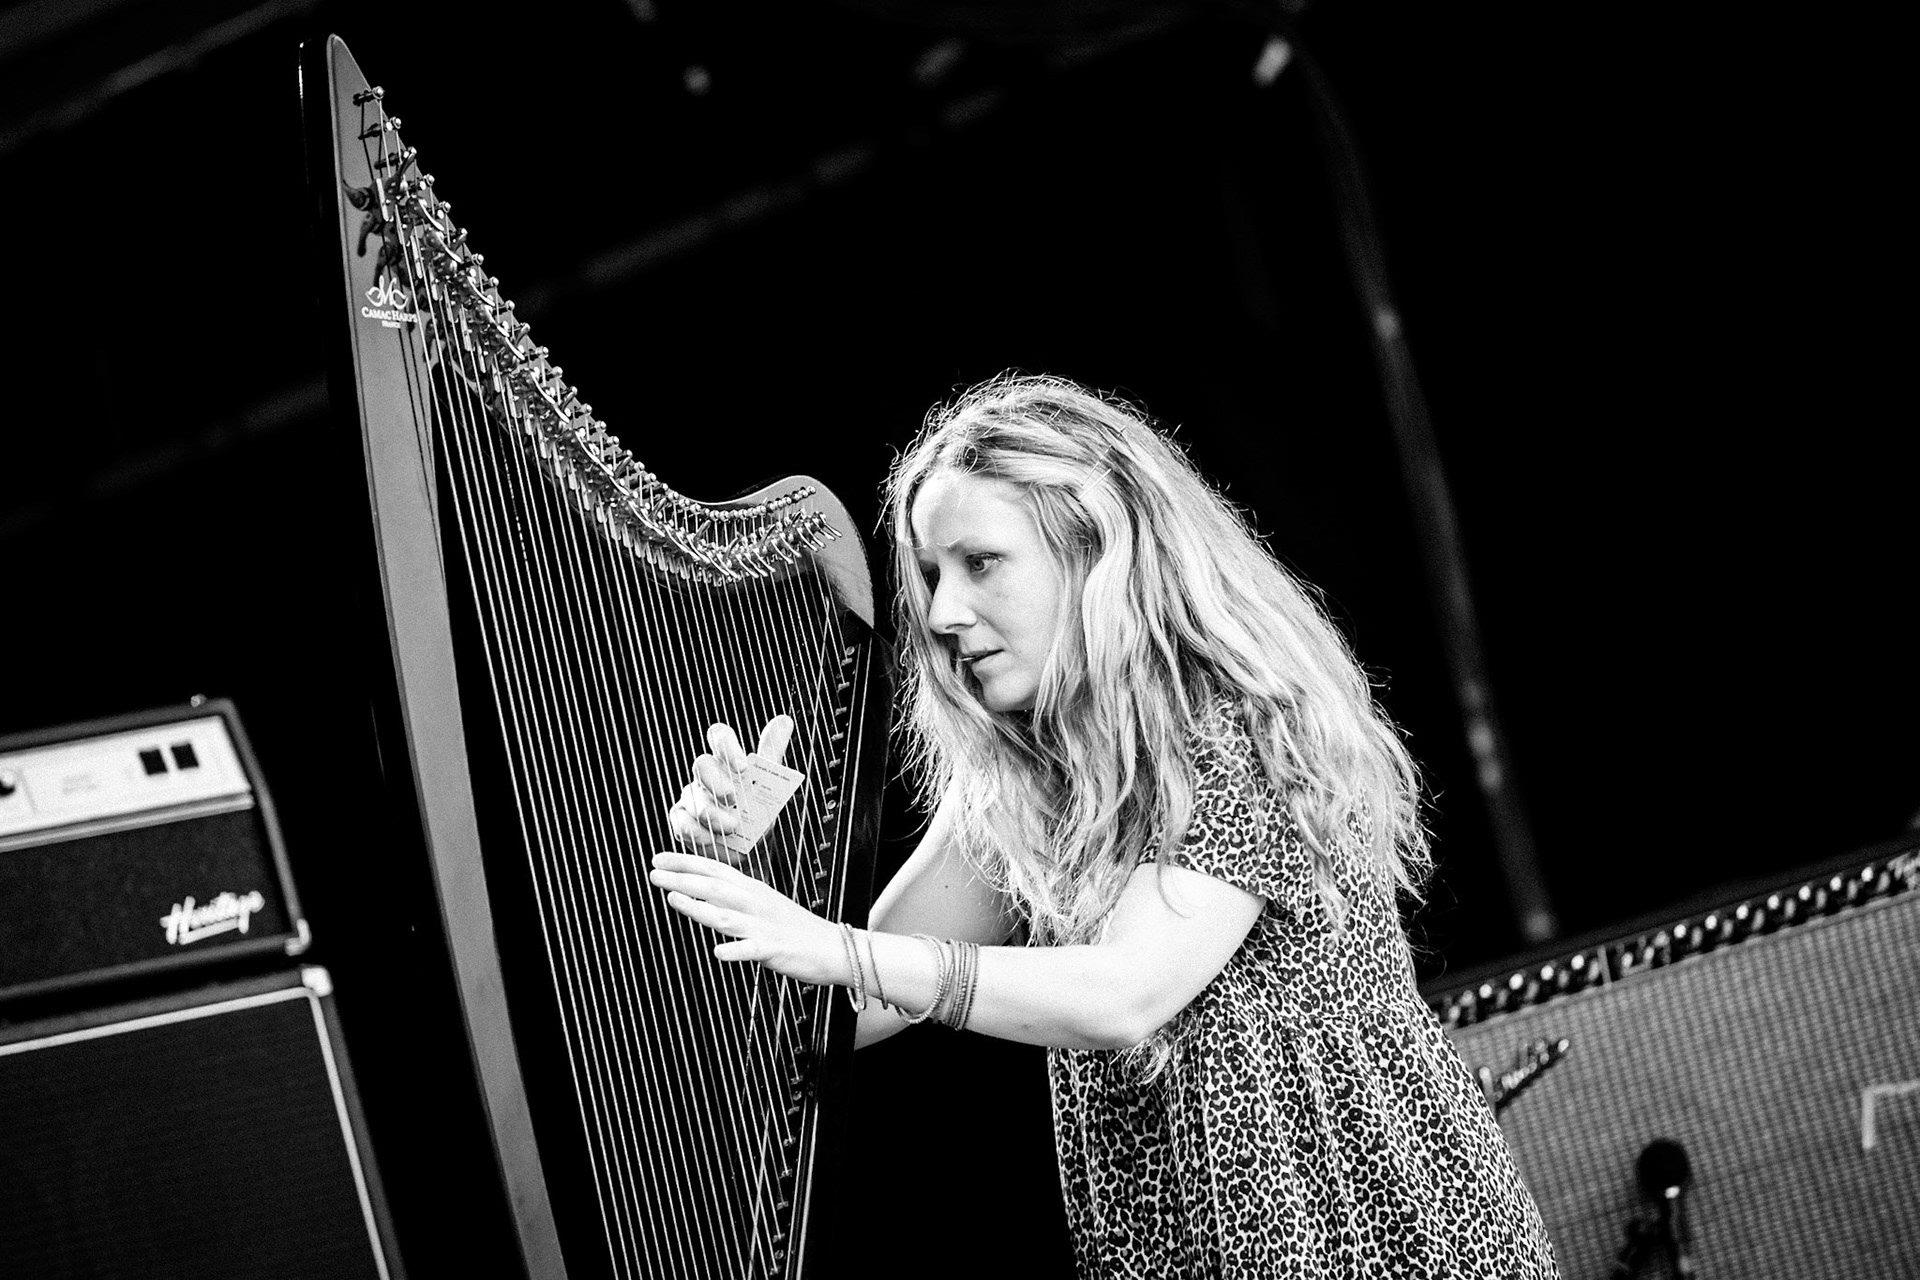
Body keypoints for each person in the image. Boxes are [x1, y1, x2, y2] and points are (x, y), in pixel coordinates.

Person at [650, 372, 1559, 1278]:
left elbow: (1124, 996)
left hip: (1371, 1237)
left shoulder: (1238, 726)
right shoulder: (1022, 776)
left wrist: (834, 946)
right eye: (931, 573)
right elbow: (854, 1006)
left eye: (981, 562)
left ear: (1096, 553)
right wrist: (733, 877)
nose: (940, 613)